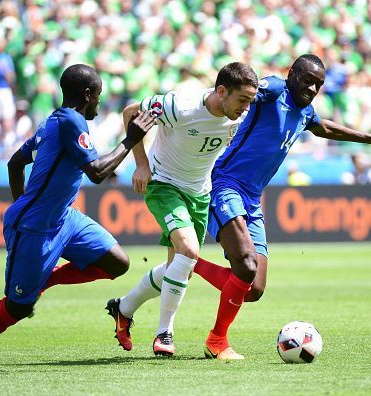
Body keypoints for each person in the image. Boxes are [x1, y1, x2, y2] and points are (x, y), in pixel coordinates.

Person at [109, 54, 371, 360]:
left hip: (252, 198)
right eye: (307, 80)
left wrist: (366, 137)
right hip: (225, 184)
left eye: (319, 84)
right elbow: (236, 92)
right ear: (291, 75)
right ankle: (217, 340)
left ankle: (175, 271)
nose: (312, 88)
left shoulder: (305, 112)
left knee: (254, 287)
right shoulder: (273, 89)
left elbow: (323, 127)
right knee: (243, 264)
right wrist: (216, 99)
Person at [0, 64, 156, 372]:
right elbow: (96, 172)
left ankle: (46, 277)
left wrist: (25, 201)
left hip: (64, 219)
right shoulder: (72, 122)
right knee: (19, 307)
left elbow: (15, 163)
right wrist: (130, 140)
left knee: (117, 262)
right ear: (87, 95)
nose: (99, 106)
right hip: (34, 228)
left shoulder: (51, 123)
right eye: (98, 97)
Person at [105, 62, 258, 358]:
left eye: (250, 102)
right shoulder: (179, 106)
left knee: (181, 270)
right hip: (163, 184)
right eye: (242, 101)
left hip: (200, 192)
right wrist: (140, 163)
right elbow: (130, 113)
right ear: (221, 91)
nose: (246, 108)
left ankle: (123, 308)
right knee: (188, 251)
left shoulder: (239, 111)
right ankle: (165, 333)